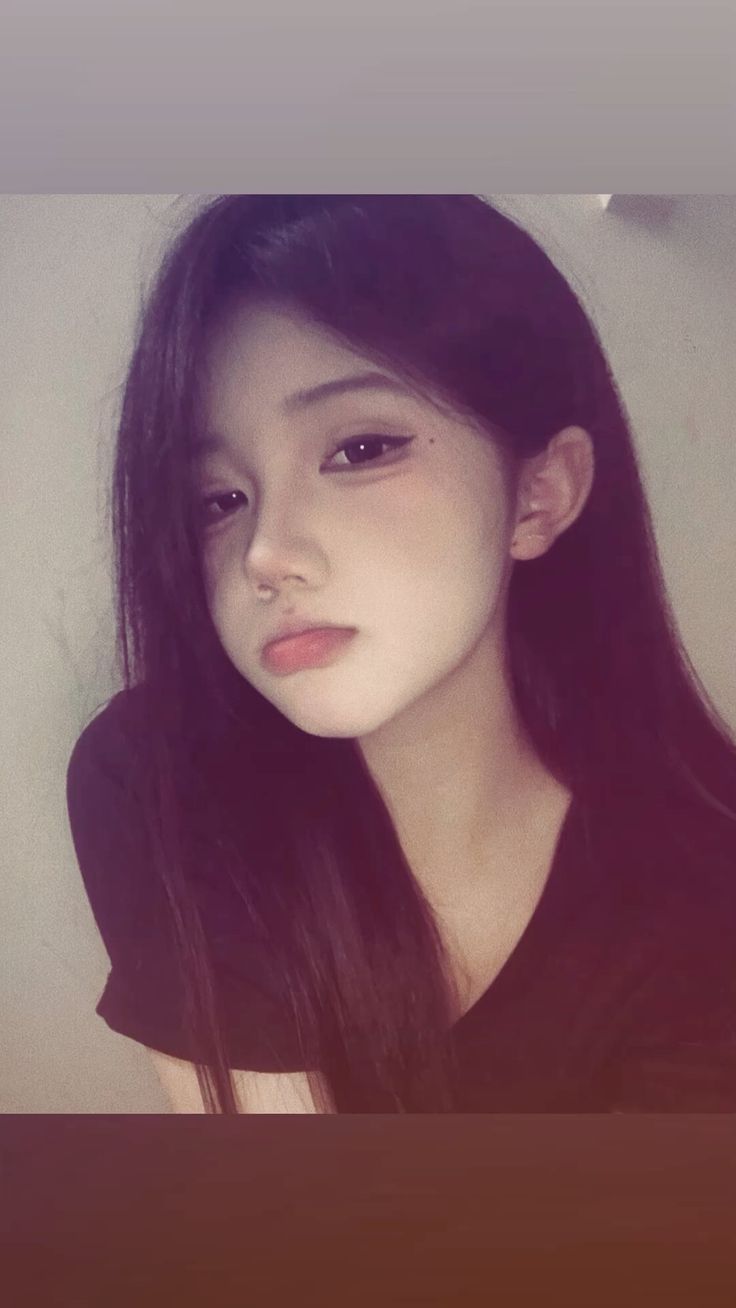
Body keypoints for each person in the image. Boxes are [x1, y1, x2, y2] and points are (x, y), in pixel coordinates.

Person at [66, 195, 736, 1114]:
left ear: (539, 495)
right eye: (217, 501)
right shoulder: (164, 775)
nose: (266, 554)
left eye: (360, 449)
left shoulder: (702, 883)